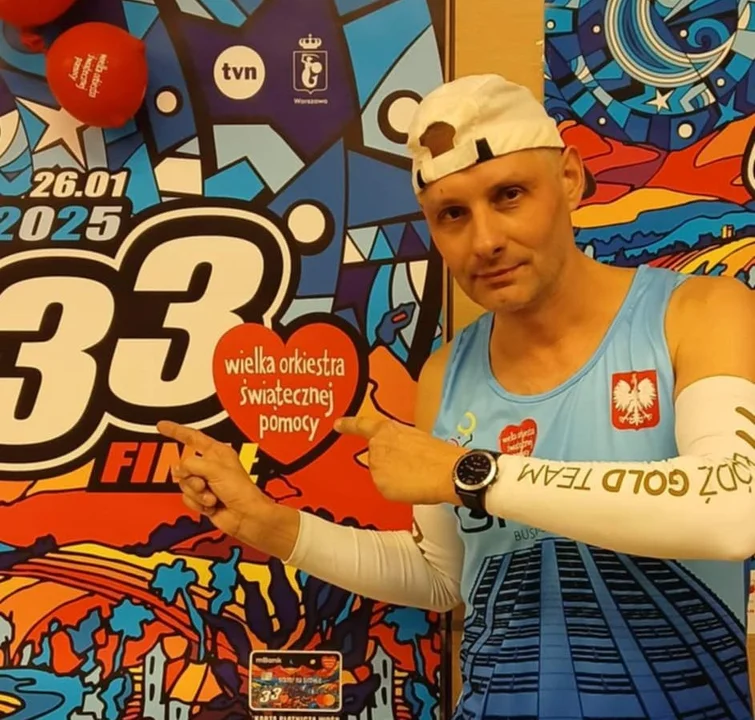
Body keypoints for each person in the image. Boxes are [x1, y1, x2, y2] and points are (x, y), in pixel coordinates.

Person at [158, 74, 755, 719]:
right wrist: (271, 526)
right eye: (452, 215)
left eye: (509, 195)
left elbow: (733, 511)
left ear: (570, 178)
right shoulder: (447, 373)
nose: (485, 240)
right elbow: (443, 577)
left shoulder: (699, 312)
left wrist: (471, 473)